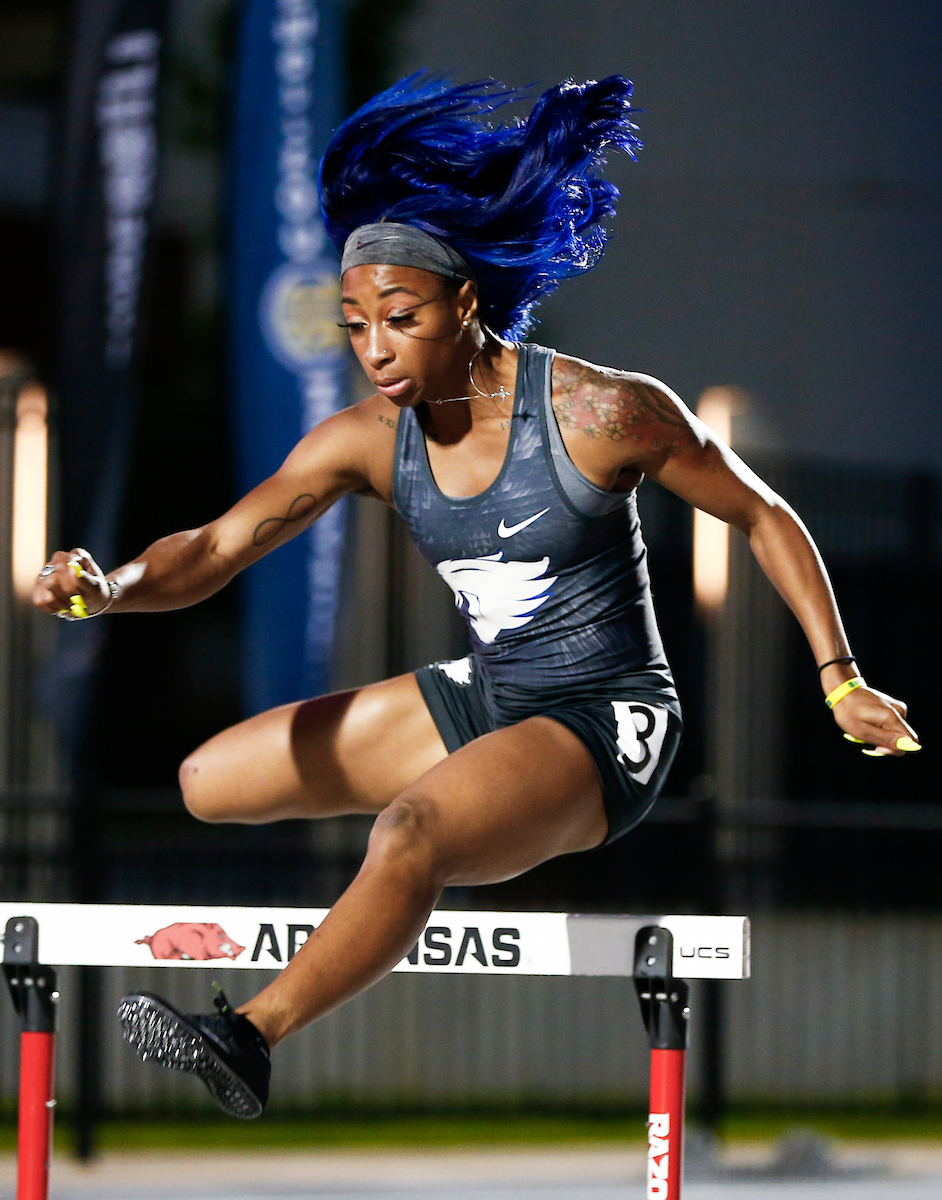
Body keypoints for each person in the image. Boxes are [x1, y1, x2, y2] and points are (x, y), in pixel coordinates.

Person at [33, 74, 919, 1119]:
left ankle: (251, 1035)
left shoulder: (601, 414)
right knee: (203, 781)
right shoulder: (365, 440)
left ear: (465, 303)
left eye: (398, 320)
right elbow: (219, 545)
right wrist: (112, 585)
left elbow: (765, 515)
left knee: (406, 833)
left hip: (606, 717)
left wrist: (840, 677)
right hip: (489, 695)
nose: (373, 351)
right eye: (354, 324)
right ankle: (428, 853)